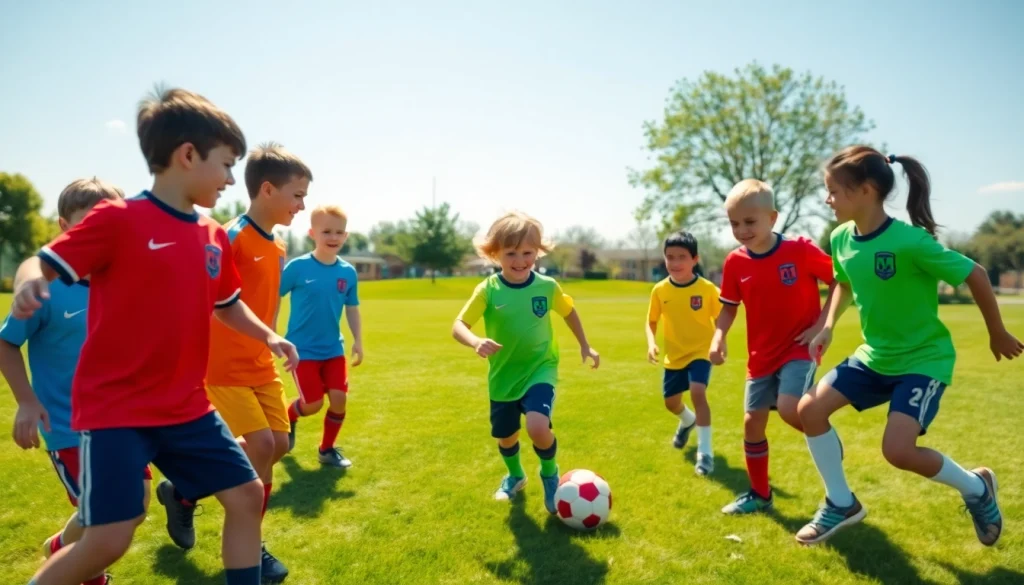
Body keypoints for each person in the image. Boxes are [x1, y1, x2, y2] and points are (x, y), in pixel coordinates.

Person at [14, 87, 299, 585]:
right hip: (117, 410)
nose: (233, 179)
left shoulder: (211, 234)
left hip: (187, 405)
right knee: (110, 537)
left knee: (247, 494)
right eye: (226, 164)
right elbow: (40, 259)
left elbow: (228, 305)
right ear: (187, 155)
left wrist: (269, 336)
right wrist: (29, 281)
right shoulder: (119, 219)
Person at [796, 145, 1023, 546]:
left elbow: (976, 273)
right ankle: (841, 502)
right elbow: (844, 284)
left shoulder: (910, 242)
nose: (827, 199)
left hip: (922, 361)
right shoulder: (841, 238)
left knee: (898, 452)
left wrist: (997, 332)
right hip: (875, 357)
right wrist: (827, 325)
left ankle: (976, 487)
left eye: (833, 191)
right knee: (809, 409)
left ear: (865, 190)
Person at [156, 142, 310, 583]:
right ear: (266, 189)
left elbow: (267, 310)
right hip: (222, 367)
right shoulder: (230, 236)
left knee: (279, 445)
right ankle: (252, 546)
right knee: (261, 447)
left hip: (260, 364)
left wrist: (276, 342)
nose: (302, 204)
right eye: (297, 195)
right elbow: (204, 300)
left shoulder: (277, 246)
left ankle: (184, 491)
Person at [1, 178, 141, 585]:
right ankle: (84, 576)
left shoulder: (125, 279)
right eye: (87, 224)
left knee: (134, 508)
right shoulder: (44, 289)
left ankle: (62, 550)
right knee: (106, 518)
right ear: (64, 227)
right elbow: (6, 344)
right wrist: (26, 402)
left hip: (121, 422)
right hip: (67, 426)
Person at [452, 211, 599, 513]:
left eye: (527, 253)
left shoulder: (546, 286)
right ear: (495, 253)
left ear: (538, 251)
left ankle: (550, 475)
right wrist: (476, 341)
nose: (520, 260)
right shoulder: (488, 290)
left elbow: (569, 312)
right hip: (504, 376)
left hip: (540, 369)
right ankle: (515, 476)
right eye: (511, 253)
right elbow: (458, 325)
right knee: (507, 437)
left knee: (537, 425)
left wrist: (585, 345)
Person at [709, 179, 836, 514]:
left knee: (791, 407)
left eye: (750, 222)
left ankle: (828, 442)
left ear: (773, 218)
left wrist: (822, 324)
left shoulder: (800, 251)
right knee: (752, 423)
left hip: (799, 347)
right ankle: (760, 494)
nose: (742, 230)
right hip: (760, 357)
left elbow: (840, 279)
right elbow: (728, 307)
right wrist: (718, 336)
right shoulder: (735, 262)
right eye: (734, 223)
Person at [282, 204, 363, 468]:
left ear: (346, 236)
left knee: (340, 400)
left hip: (333, 349)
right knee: (313, 404)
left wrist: (358, 342)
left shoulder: (347, 272)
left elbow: (352, 308)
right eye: (326, 231)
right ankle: (288, 416)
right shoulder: (297, 268)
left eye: (339, 232)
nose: (333, 237)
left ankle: (326, 450)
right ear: (311, 233)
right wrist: (270, 335)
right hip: (302, 350)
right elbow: (272, 296)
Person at [646, 231, 722, 476]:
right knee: (671, 403)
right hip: (674, 357)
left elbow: (722, 318)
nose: (675, 263)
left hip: (701, 351)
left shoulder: (708, 289)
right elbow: (651, 322)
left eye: (681, 257)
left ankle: (705, 453)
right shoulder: (660, 290)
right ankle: (687, 421)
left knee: (698, 392)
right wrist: (651, 343)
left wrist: (721, 343)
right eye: (670, 257)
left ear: (695, 259)